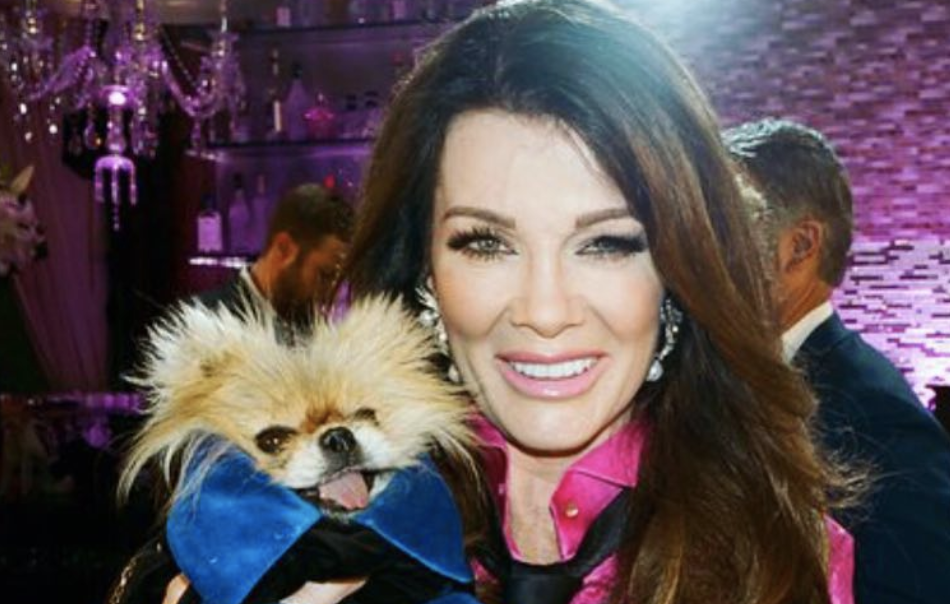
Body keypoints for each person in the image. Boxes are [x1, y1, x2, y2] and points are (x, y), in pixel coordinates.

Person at [161, 2, 857, 603]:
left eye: (607, 243)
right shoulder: (264, 513)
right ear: (425, 271)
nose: (545, 311)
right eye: (486, 243)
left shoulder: (782, 551)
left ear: (677, 272)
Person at [724, 117, 950, 604]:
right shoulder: (729, 378)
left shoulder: (875, 414)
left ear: (800, 246)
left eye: (724, 230)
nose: (700, 255)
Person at [197, 183, 353, 327]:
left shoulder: (312, 326)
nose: (330, 295)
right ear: (284, 248)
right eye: (325, 275)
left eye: (339, 282)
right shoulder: (205, 326)